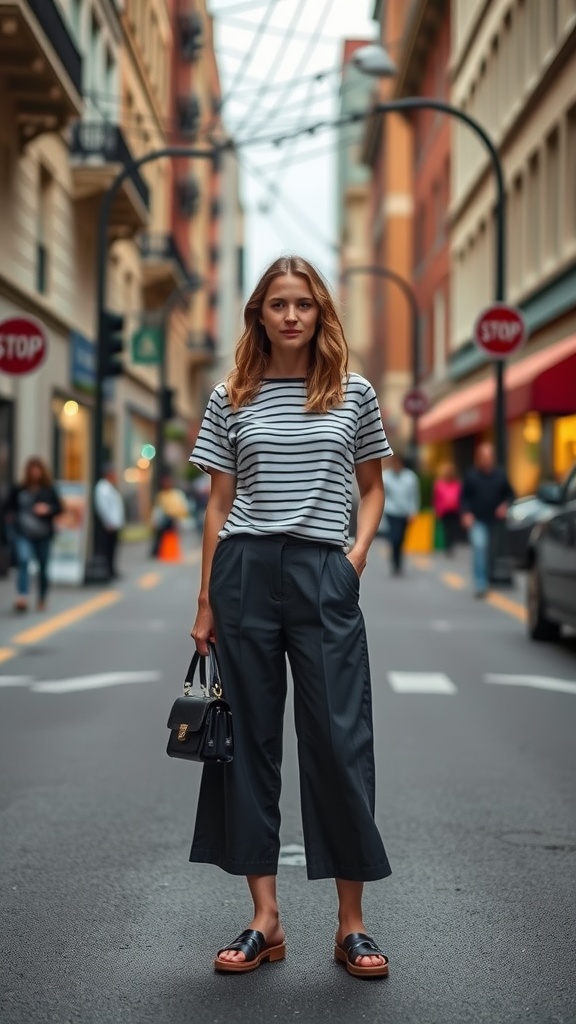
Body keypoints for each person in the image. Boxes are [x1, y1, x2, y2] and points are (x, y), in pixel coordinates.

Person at [190, 255, 392, 979]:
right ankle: (264, 919)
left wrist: (357, 555)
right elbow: (217, 503)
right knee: (249, 745)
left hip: (321, 571)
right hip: (244, 569)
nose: (291, 315)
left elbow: (373, 489)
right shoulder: (231, 394)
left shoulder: (353, 392)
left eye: (303, 303)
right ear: (259, 314)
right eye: (277, 303)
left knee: (339, 741)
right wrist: (207, 599)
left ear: (320, 312)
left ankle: (352, 926)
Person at [3, 456, 62, 612]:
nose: (35, 473)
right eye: (32, 470)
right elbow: (7, 508)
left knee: (43, 566)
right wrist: (11, 521)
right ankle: (22, 596)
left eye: (37, 470)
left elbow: (59, 508)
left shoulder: (49, 490)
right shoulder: (19, 489)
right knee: (23, 561)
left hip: (43, 534)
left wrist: (47, 509)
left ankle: (42, 597)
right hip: (23, 533)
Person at [461, 442, 515, 597]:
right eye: (483, 456)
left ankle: (489, 577)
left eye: (489, 456)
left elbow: (511, 495)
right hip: (477, 520)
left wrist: (504, 506)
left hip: (496, 522)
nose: (486, 459)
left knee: (490, 552)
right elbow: (464, 498)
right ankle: (480, 583)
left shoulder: (500, 475)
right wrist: (466, 513)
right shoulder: (471, 476)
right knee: (480, 547)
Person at [382, 453, 420, 575]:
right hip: (391, 511)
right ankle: (395, 562)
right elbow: (382, 495)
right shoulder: (386, 477)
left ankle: (398, 561)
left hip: (405, 513)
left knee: (401, 539)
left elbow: (414, 496)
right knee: (395, 537)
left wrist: (413, 511)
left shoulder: (410, 477)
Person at [94, 465, 125, 579]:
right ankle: (107, 571)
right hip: (109, 524)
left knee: (113, 548)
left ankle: (111, 570)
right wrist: (108, 522)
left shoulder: (109, 487)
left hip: (114, 523)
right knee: (107, 548)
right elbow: (103, 507)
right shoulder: (103, 488)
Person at [150, 474, 189, 556]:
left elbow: (183, 507)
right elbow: (158, 510)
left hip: (174, 518)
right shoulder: (161, 495)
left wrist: (179, 517)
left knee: (172, 536)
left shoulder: (177, 494)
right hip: (164, 519)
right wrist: (154, 521)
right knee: (161, 536)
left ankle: (170, 552)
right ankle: (158, 551)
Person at [433, 462, 462, 555]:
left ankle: (450, 545)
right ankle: (447, 546)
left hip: (454, 510)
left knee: (452, 528)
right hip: (444, 510)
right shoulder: (439, 483)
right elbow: (436, 498)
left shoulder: (457, 483)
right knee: (446, 528)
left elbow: (461, 496)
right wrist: (437, 509)